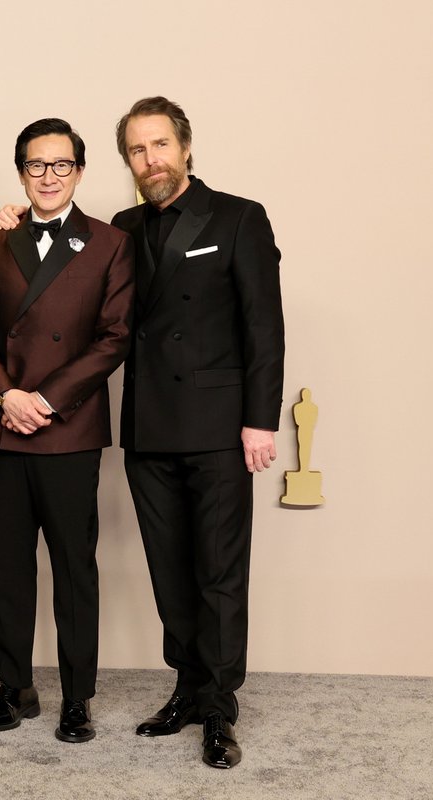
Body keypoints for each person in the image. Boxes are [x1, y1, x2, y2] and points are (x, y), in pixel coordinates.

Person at [112, 96, 284, 768]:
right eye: (136, 149)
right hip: (149, 425)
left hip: (218, 426)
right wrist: (10, 218)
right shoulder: (122, 227)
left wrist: (260, 421)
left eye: (159, 145)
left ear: (184, 147)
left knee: (218, 573)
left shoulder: (237, 217)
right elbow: (66, 270)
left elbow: (262, 327)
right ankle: (186, 686)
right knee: (169, 571)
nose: (149, 160)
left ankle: (218, 708)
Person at [0, 119, 133, 742]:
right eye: (37, 166)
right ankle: (14, 688)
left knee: (73, 566)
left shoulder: (111, 243)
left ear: (81, 172)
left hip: (68, 428)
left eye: (61, 165)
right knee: (9, 567)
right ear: (21, 173)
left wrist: (46, 399)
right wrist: (8, 395)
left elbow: (114, 337)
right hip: (7, 424)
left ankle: (77, 697)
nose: (49, 177)